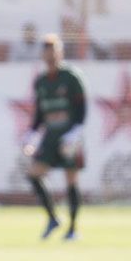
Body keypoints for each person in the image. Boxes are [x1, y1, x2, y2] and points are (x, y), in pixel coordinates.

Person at [23, 35, 87, 241]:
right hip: (50, 135)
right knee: (34, 173)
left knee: (71, 179)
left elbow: (81, 109)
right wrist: (32, 135)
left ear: (60, 53)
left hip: (69, 135)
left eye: (54, 53)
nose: (50, 58)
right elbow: (40, 114)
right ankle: (52, 217)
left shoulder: (71, 77)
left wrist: (75, 133)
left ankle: (73, 228)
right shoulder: (41, 82)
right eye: (47, 53)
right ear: (43, 55)